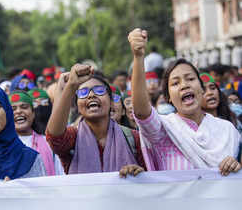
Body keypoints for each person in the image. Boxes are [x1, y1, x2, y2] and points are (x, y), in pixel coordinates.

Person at [127, 28, 241, 176]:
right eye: (175, 83)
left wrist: (236, 167)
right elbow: (142, 112)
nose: (184, 85)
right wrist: (138, 57)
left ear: (201, 88)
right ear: (168, 97)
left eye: (190, 79)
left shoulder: (227, 130)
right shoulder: (163, 130)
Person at [46, 65, 149, 175]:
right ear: (78, 106)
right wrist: (71, 85)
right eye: (83, 92)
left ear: (111, 102)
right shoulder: (72, 138)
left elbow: (150, 173)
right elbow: (54, 137)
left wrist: (138, 172)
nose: (91, 95)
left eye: (99, 90)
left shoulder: (133, 138)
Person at [9, 90, 64, 176]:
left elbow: (60, 175)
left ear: (33, 113)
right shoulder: (2, 146)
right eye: (13, 109)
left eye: (24, 107)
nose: (18, 111)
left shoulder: (49, 143)